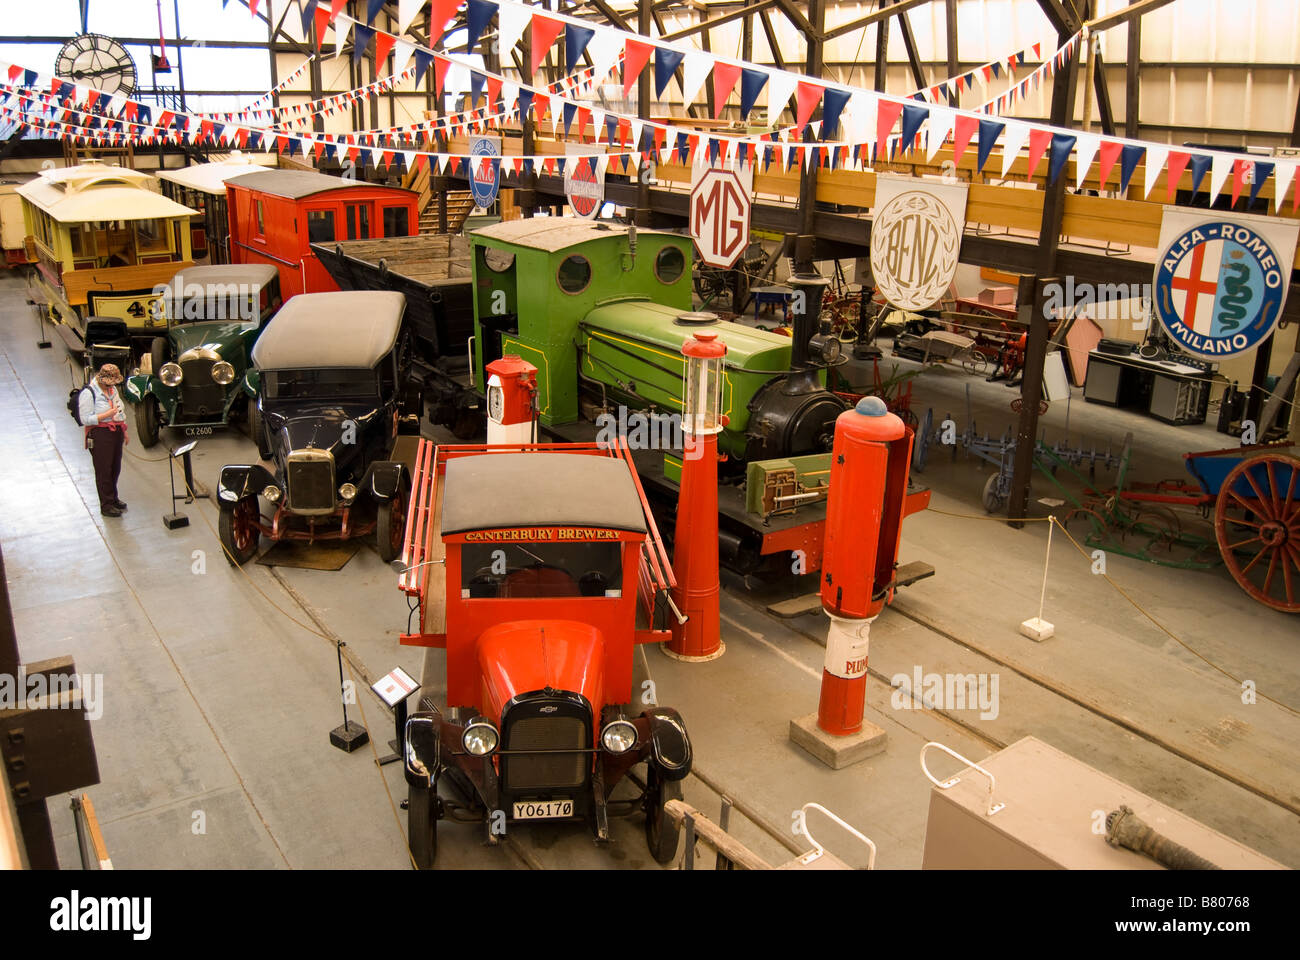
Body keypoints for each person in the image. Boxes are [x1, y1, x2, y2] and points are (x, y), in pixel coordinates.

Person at [79, 363, 129, 517]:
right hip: (100, 433)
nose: (112, 386)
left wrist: (123, 429)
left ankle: (113, 498)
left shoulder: (112, 390)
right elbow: (85, 419)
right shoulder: (89, 393)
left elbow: (119, 410)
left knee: (115, 467)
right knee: (104, 470)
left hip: (116, 431)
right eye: (110, 382)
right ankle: (106, 505)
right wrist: (107, 414)